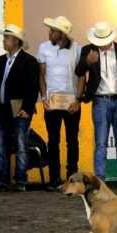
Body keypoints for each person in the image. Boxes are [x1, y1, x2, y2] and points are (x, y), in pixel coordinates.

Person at [75, 21, 117, 187]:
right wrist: (87, 62)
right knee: (100, 142)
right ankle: (99, 179)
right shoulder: (88, 50)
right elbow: (78, 72)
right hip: (100, 100)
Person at [0, 24, 39, 192]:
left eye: (7, 38)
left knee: (20, 144)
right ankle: (1, 179)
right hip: (4, 108)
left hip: (20, 108)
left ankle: (20, 179)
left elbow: (33, 88)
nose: (4, 41)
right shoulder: (1, 60)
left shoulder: (29, 61)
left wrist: (27, 108)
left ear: (16, 41)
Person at [38, 16, 82, 191]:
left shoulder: (77, 49)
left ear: (62, 34)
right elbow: (41, 75)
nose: (50, 33)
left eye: (53, 30)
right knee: (53, 140)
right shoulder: (43, 48)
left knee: (72, 141)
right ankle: (54, 178)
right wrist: (43, 98)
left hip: (71, 102)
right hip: (52, 102)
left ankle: (73, 177)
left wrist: (78, 100)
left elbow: (81, 77)